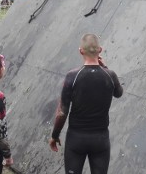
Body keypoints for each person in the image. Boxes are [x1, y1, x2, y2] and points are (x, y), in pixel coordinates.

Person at [49, 34, 123, 174]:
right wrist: (105, 67)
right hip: (100, 139)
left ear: (81, 51)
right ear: (100, 50)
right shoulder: (110, 75)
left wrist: (55, 135)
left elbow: (62, 112)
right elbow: (119, 93)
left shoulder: (72, 76)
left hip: (76, 139)